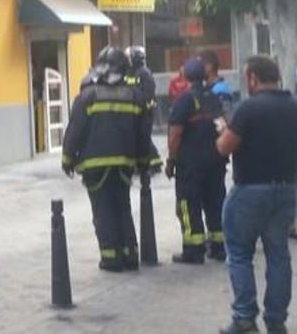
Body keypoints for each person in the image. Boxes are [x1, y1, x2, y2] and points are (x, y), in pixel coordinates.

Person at [216, 56, 297, 334]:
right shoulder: (294, 106)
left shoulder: (248, 108)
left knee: (239, 253)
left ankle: (244, 319)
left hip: (250, 190)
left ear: (253, 78)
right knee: (278, 254)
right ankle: (276, 321)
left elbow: (225, 147)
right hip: (287, 189)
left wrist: (222, 132)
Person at [62, 46, 153, 272]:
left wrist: (67, 159)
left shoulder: (87, 96)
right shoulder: (135, 97)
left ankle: (111, 257)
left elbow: (75, 130)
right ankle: (130, 254)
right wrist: (144, 163)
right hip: (124, 165)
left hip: (94, 166)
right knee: (123, 207)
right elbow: (143, 135)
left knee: (103, 211)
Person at [165, 56, 228, 264]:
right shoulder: (213, 97)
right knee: (215, 203)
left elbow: (175, 134)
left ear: (185, 76)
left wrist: (171, 160)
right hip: (215, 162)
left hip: (190, 165)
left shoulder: (184, 100)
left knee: (188, 205)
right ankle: (219, 247)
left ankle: (193, 249)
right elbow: (223, 126)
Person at [126, 45, 163, 172]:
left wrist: (140, 106)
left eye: (130, 57)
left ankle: (155, 163)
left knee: (144, 137)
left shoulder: (145, 73)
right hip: (135, 112)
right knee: (138, 137)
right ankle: (142, 163)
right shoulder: (131, 72)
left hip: (145, 112)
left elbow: (148, 94)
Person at [201, 50, 234, 115]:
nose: (197, 69)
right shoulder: (207, 87)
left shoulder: (221, 89)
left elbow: (225, 115)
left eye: (200, 65)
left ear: (209, 66)